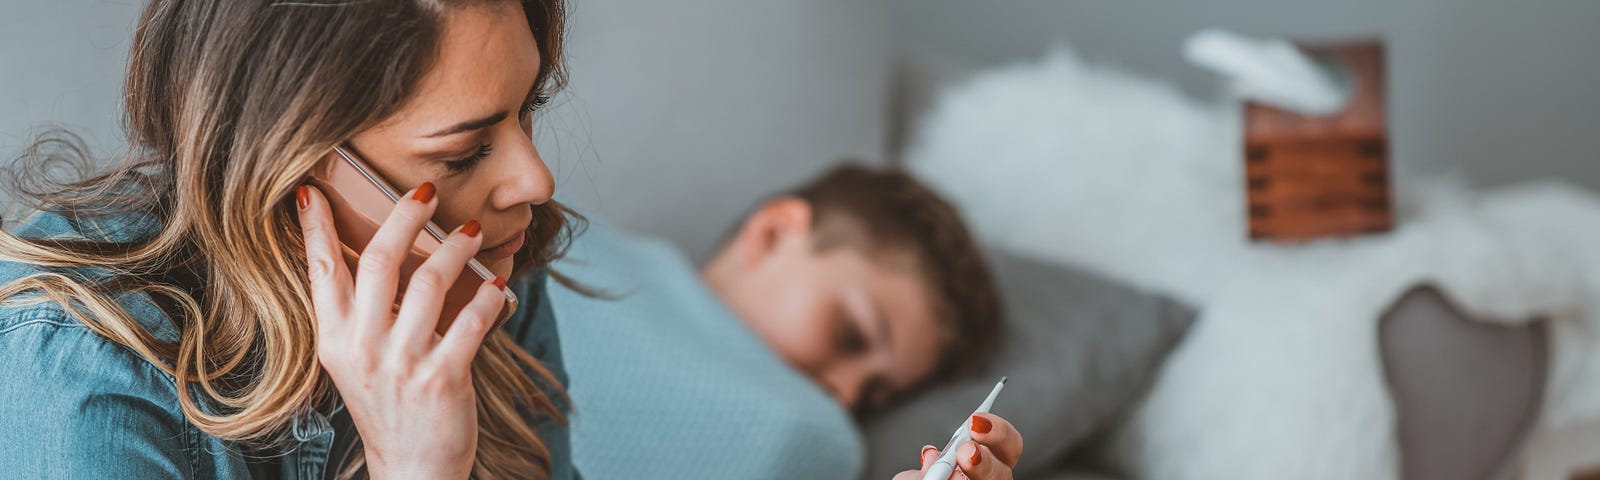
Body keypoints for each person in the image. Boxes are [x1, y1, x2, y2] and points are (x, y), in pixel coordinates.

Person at [0, 1, 580, 478]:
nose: (535, 180)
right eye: (463, 153)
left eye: (527, 108)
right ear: (288, 168)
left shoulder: (475, 273)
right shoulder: (79, 373)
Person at [550, 164, 1026, 478]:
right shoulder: (544, 235)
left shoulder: (819, 445)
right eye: (851, 334)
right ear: (774, 234)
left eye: (875, 396)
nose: (845, 394)